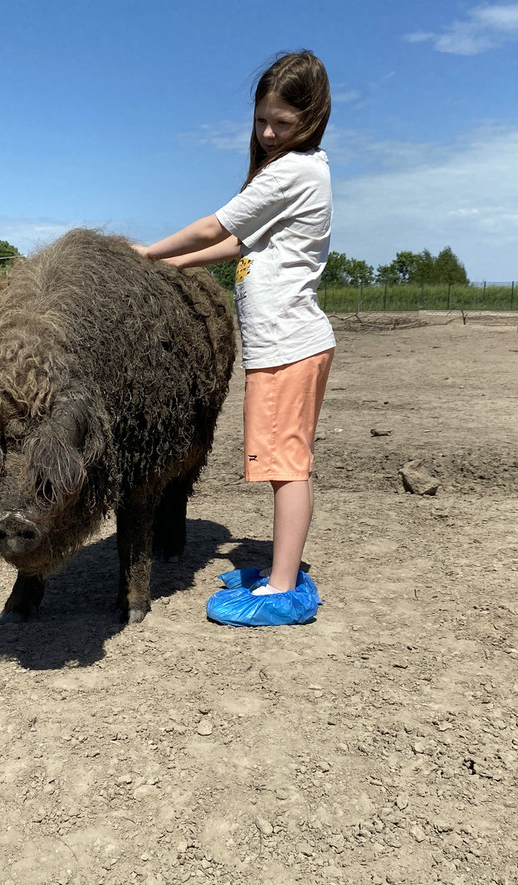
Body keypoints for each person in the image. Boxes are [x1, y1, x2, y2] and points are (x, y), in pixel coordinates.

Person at [133, 49, 335, 624]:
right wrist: (171, 268)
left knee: (287, 466)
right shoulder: (292, 171)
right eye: (261, 120)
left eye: (284, 123)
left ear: (313, 119)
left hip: (288, 345)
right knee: (282, 461)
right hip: (283, 345)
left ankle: (281, 588)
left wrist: (148, 251)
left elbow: (213, 225)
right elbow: (237, 244)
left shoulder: (295, 170)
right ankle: (282, 569)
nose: (270, 133)